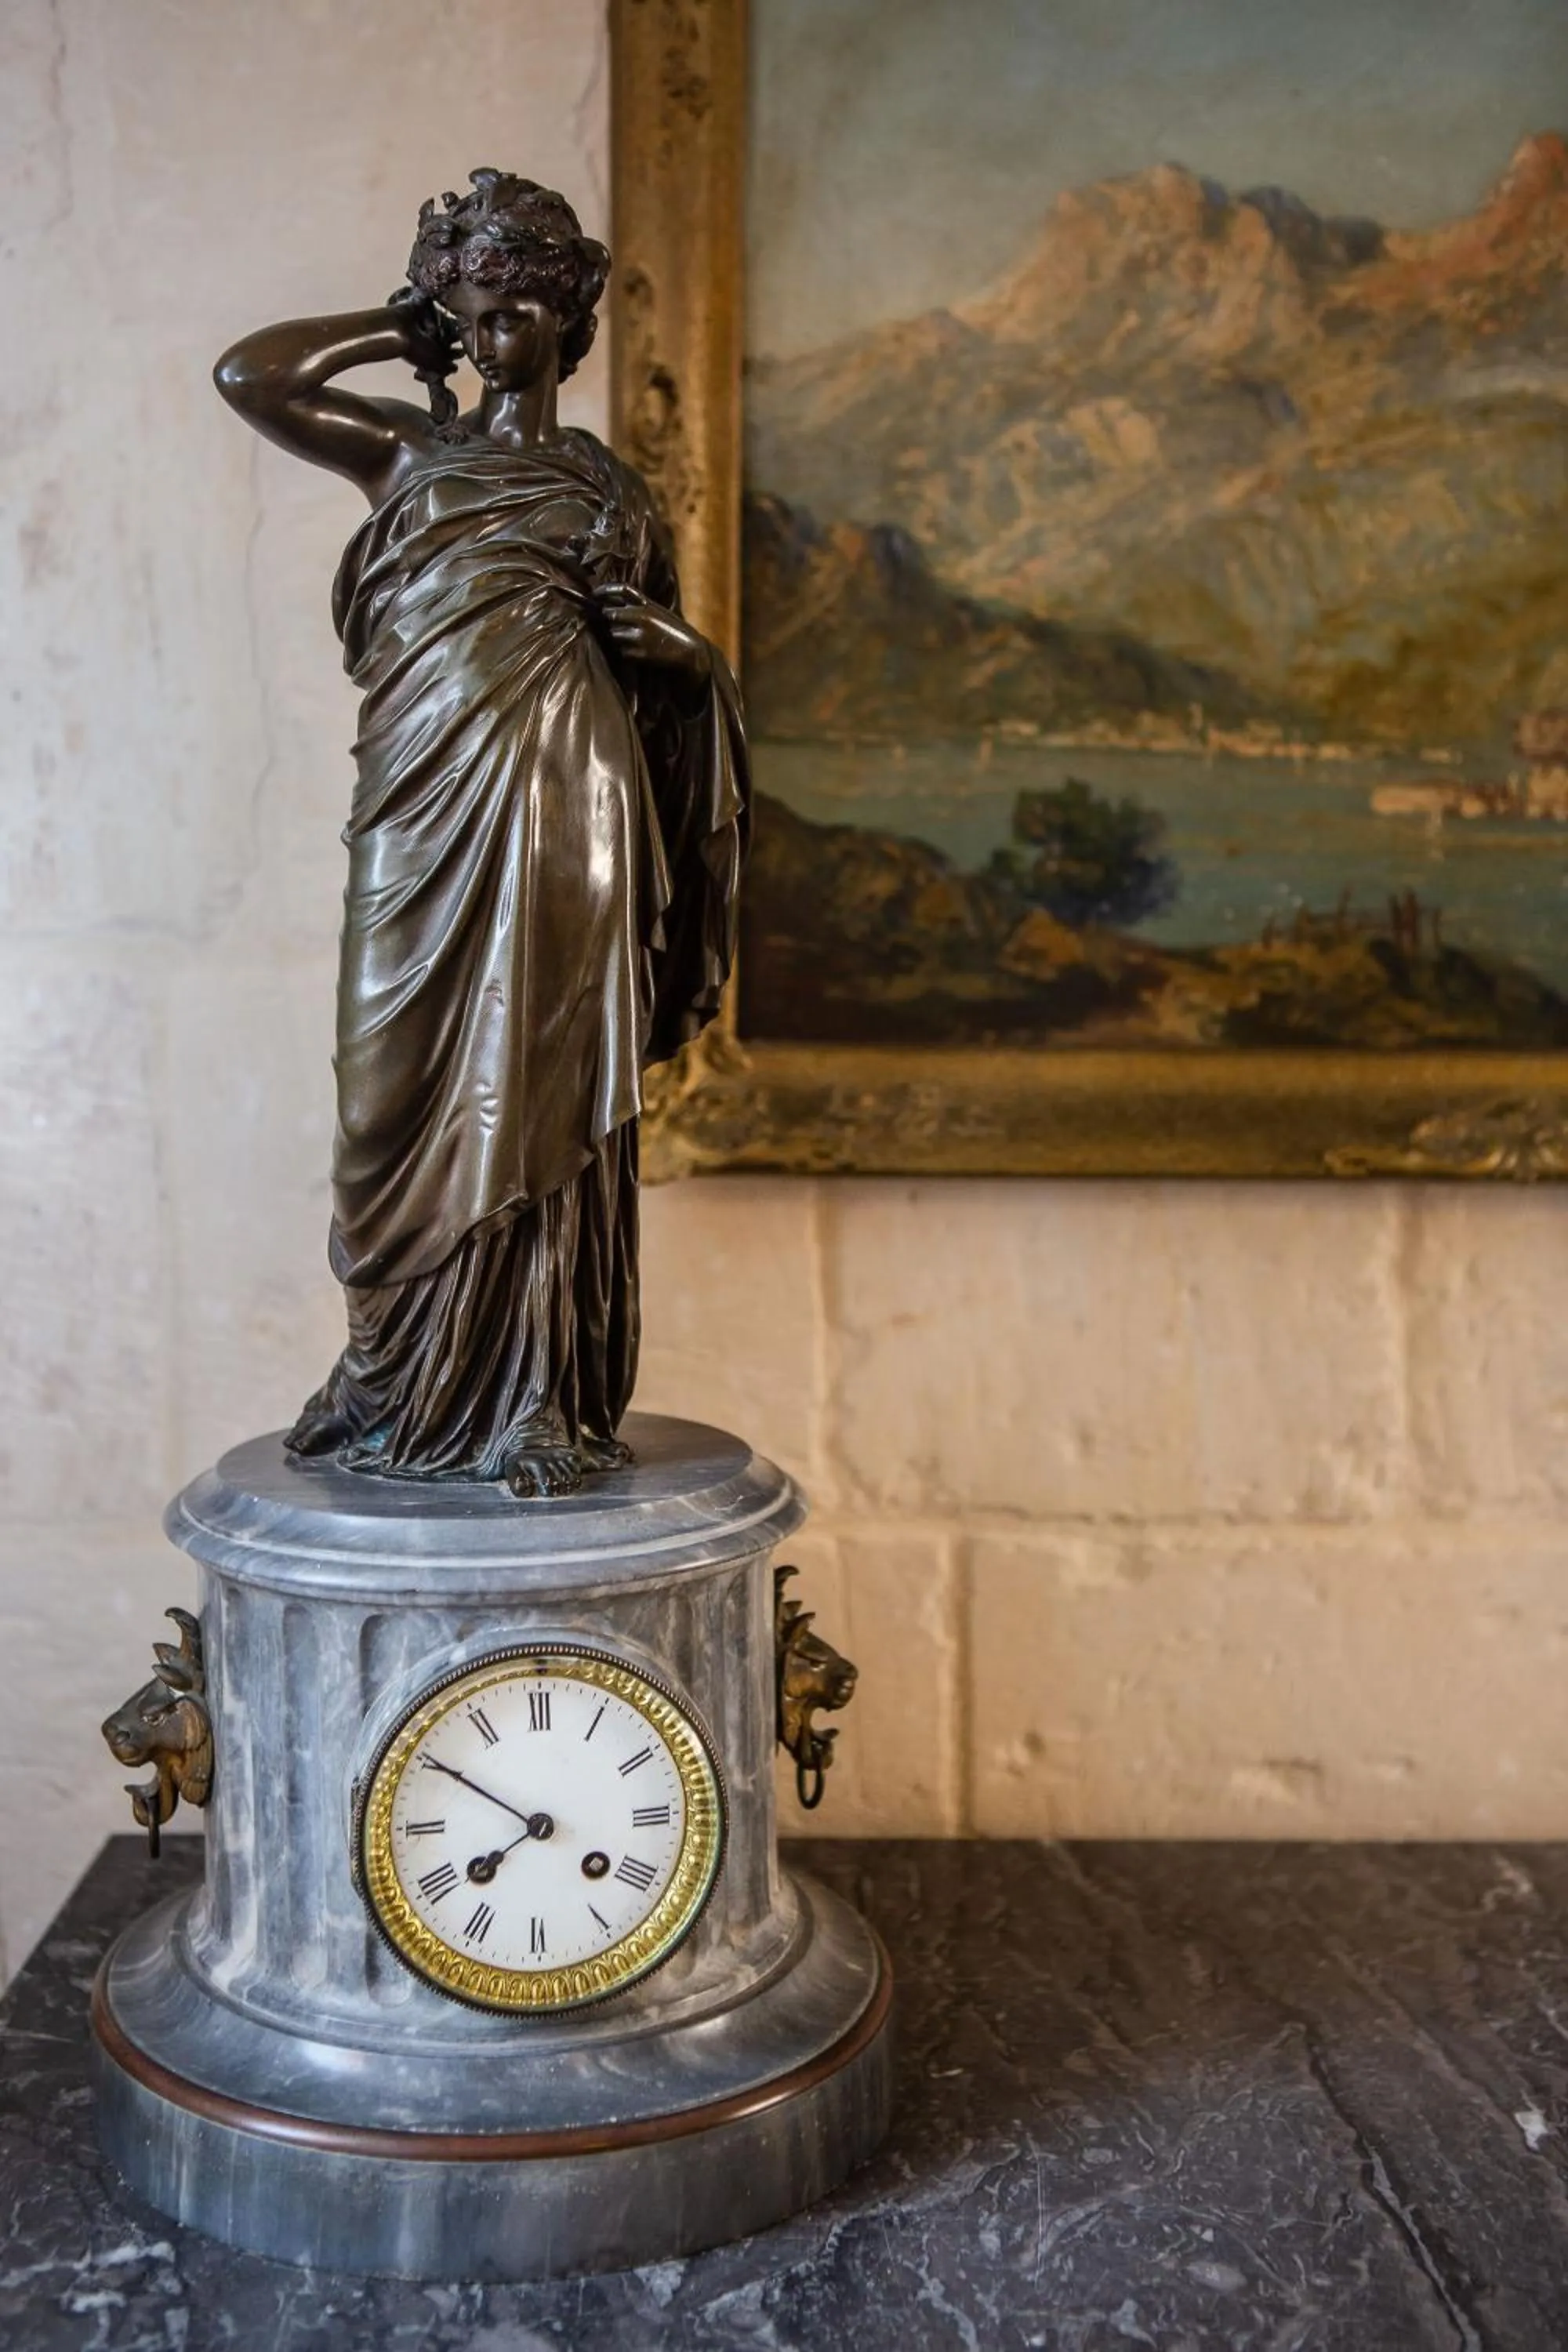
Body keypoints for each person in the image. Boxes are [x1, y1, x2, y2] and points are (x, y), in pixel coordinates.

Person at [214, 171, 746, 1497]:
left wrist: (686, 661)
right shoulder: (410, 454)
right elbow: (252, 377)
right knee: (386, 1091)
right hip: (420, 806)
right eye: (477, 308)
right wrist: (405, 324)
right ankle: (394, 1379)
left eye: (522, 309)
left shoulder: (615, 496)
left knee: (550, 1085)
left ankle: (539, 1400)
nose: (497, 332)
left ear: (568, 328)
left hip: (575, 804)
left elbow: (672, 690)